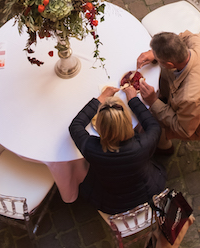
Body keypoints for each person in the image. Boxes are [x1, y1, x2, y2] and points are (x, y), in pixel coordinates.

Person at [68, 84, 167, 214]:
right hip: (146, 192)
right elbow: (153, 126)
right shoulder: (144, 144)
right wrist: (133, 99)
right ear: (128, 122)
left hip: (111, 202)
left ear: (99, 127)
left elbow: (75, 126)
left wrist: (101, 98)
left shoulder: (91, 148)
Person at [136, 31, 200, 151]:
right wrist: (152, 53)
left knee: (152, 129)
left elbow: (183, 129)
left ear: (169, 64)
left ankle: (165, 148)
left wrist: (153, 101)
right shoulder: (198, 40)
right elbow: (183, 36)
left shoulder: (191, 97)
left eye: (159, 59)